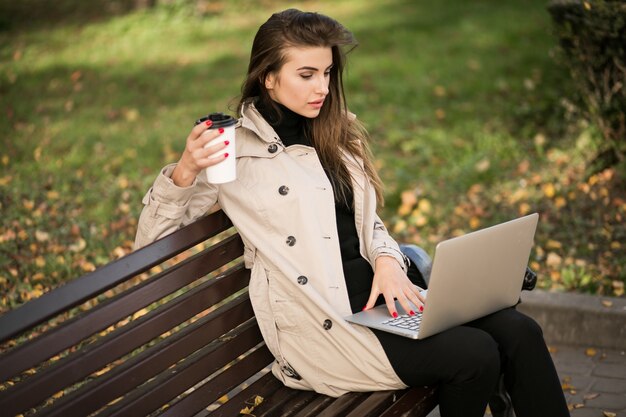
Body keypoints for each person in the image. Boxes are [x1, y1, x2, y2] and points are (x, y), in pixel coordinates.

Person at [134, 9, 570, 417]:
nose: (321, 87)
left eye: (326, 73)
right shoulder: (234, 153)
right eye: (305, 75)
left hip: (383, 300)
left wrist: (388, 261)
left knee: (520, 333)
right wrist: (187, 168)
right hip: (327, 326)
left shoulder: (334, 131)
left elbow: (368, 223)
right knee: (474, 355)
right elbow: (151, 247)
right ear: (267, 77)